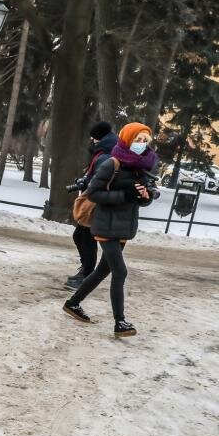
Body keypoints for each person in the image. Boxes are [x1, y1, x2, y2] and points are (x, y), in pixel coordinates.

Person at [62, 122, 159, 338]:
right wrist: (124, 195)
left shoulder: (140, 168)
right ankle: (120, 322)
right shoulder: (111, 163)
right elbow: (93, 193)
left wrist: (145, 196)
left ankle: (73, 303)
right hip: (106, 225)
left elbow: (140, 200)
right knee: (120, 271)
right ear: (127, 140)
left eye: (145, 141)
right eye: (137, 140)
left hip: (124, 227)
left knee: (102, 271)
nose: (141, 144)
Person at [66, 121, 118, 290]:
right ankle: (85, 270)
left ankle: (87, 274)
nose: (91, 140)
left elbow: (99, 179)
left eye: (93, 137)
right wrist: (85, 180)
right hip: (95, 200)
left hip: (96, 203)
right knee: (80, 236)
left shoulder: (105, 155)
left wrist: (85, 183)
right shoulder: (105, 151)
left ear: (99, 138)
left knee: (86, 239)